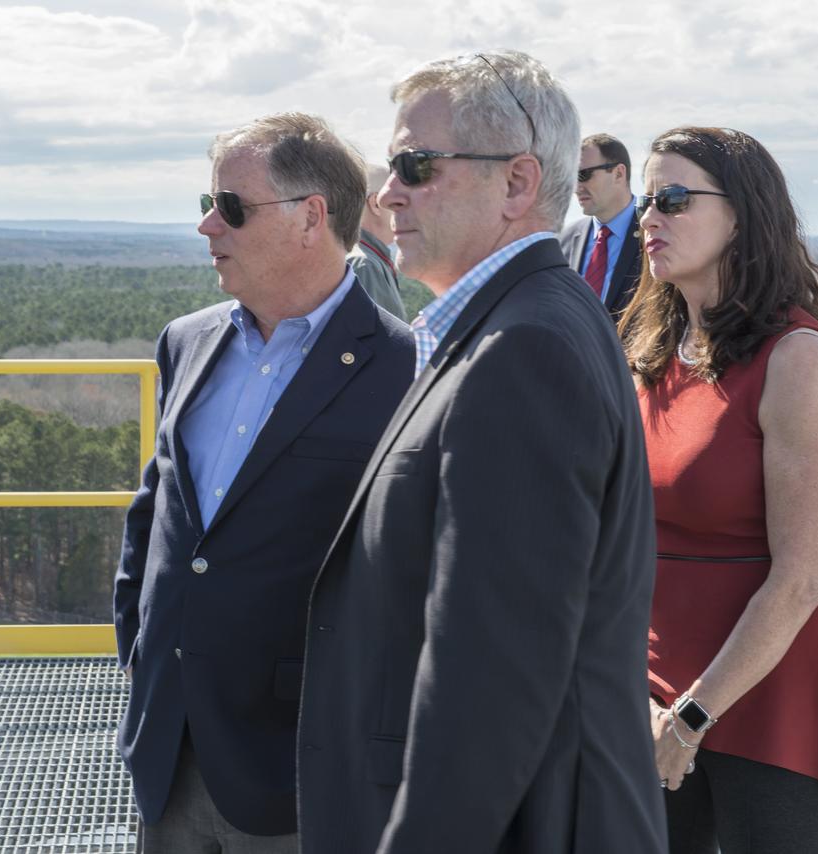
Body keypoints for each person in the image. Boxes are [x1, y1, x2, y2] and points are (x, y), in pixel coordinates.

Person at [296, 51, 666, 854]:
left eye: (416, 165)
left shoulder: (523, 349)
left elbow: (490, 678)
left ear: (517, 183)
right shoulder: (523, 320)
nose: (385, 191)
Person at [113, 112, 414, 853]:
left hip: (298, 773)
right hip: (169, 751)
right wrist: (143, 648)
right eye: (207, 204)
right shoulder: (186, 341)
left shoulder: (407, 370)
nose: (208, 226)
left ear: (311, 218)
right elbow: (156, 515)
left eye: (233, 207)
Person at [620, 126, 818, 854]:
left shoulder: (797, 359)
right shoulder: (651, 354)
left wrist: (694, 717)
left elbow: (800, 580)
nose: (649, 220)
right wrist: (638, 699)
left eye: (672, 198)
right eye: (644, 203)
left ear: (743, 216)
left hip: (770, 703)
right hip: (652, 697)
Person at [559, 133, 643, 318]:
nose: (576, 188)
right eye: (571, 178)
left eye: (583, 175)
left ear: (619, 174)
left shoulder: (657, 230)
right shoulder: (564, 239)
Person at [347, 163, 407, 320]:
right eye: (398, 201)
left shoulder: (371, 260)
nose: (407, 209)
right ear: (375, 203)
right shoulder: (365, 265)